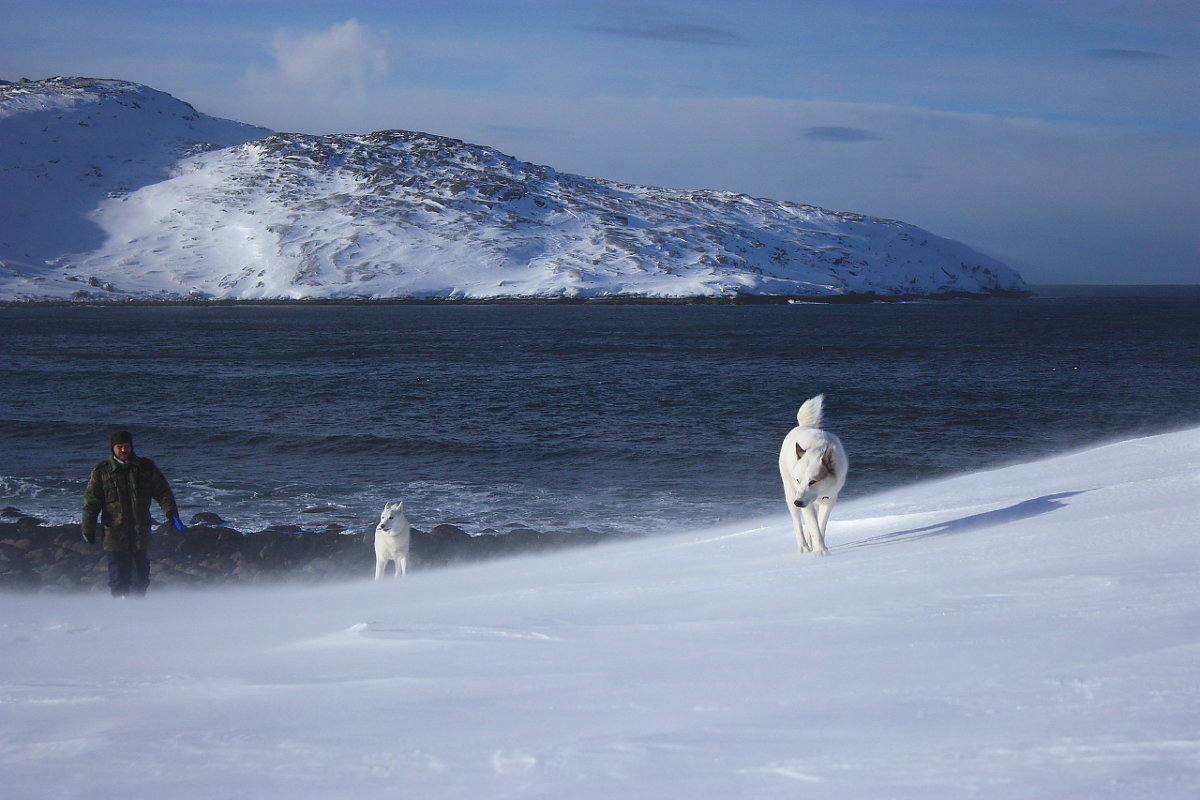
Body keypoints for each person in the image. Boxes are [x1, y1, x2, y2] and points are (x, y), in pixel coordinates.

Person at [82, 430, 185, 597]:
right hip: (114, 532)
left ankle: (138, 610)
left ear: (131, 447)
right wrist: (88, 527)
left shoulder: (145, 467)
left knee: (140, 577)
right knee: (117, 575)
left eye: (126, 446)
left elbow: (163, 492)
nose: (123, 450)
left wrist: (171, 513)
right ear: (113, 449)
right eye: (119, 447)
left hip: (140, 531)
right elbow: (91, 502)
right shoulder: (101, 471)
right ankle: (120, 610)